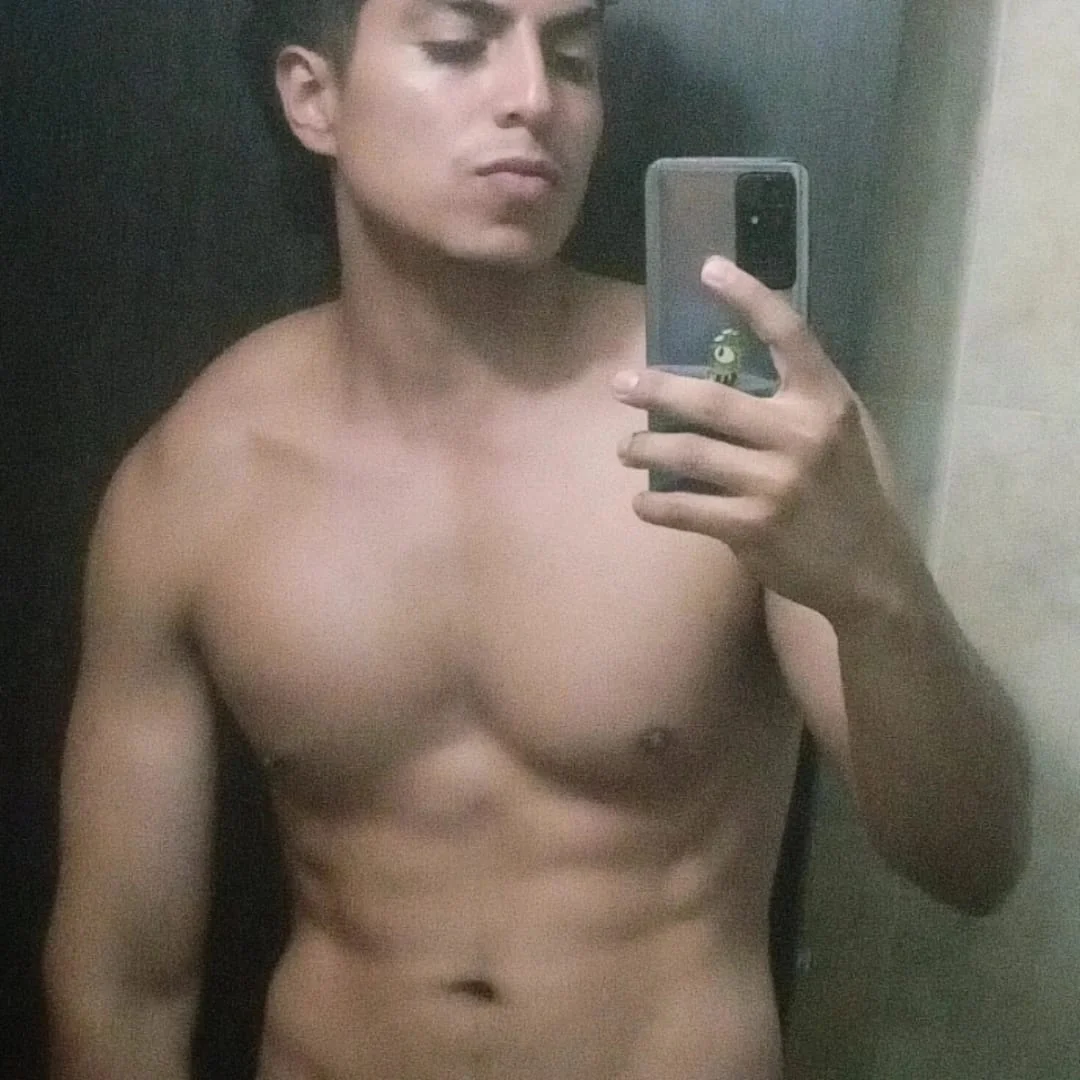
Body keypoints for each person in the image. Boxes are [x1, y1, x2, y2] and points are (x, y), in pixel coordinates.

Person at [43, 0, 1033, 1077]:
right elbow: (121, 983)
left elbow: (973, 859)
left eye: (571, 59)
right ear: (314, 98)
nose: (533, 98)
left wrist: (874, 584)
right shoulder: (200, 481)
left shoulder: (737, 424)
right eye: (458, 46)